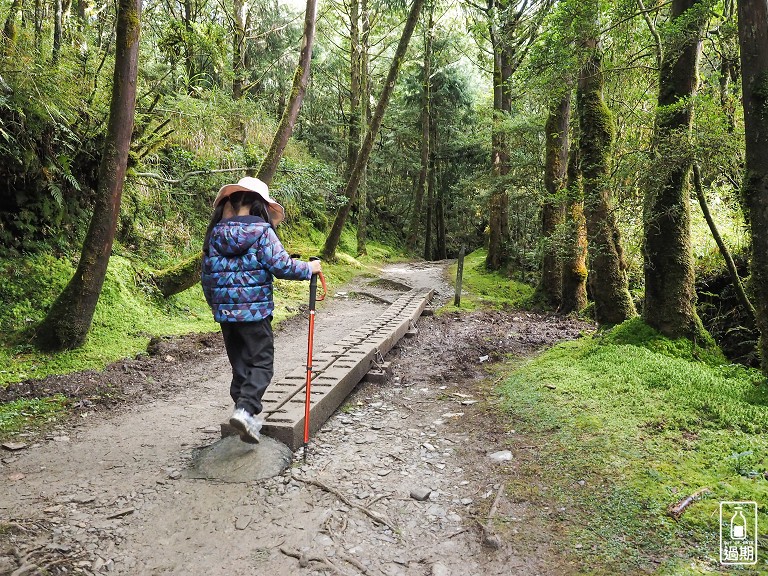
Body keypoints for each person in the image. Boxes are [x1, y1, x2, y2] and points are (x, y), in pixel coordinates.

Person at [201, 176, 321, 443]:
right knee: (262, 364)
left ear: (229, 203)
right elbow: (282, 267)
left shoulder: (215, 234)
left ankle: (246, 417)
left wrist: (216, 305)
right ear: (259, 206)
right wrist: (309, 269)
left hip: (226, 315)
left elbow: (207, 277)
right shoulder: (262, 232)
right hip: (255, 314)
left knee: (241, 365)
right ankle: (245, 411)